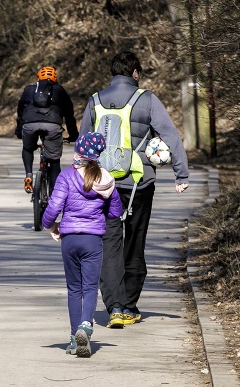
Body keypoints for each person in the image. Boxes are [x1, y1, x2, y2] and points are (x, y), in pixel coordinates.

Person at [79, 51, 189, 328]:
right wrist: (181, 173)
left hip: (103, 184)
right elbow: (170, 135)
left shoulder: (94, 101)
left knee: (109, 244)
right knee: (135, 241)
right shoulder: (147, 99)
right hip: (140, 182)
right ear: (135, 73)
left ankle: (114, 306)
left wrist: (81, 181)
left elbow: (82, 144)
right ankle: (129, 305)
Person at [42, 132, 123, 358]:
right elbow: (116, 211)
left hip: (69, 239)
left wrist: (51, 227)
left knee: (73, 289)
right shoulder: (105, 178)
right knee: (89, 288)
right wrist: (101, 210)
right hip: (93, 240)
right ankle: (85, 327)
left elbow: (52, 209)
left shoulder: (67, 176)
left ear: (78, 150)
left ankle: (73, 339)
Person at [15, 66, 79, 193]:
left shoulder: (29, 89)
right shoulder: (59, 90)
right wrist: (73, 135)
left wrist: (19, 130)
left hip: (30, 124)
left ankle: (28, 175)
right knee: (54, 160)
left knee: (27, 148)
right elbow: (69, 115)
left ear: (38, 77)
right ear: (55, 78)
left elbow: (20, 111)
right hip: (53, 125)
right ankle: (55, 192)